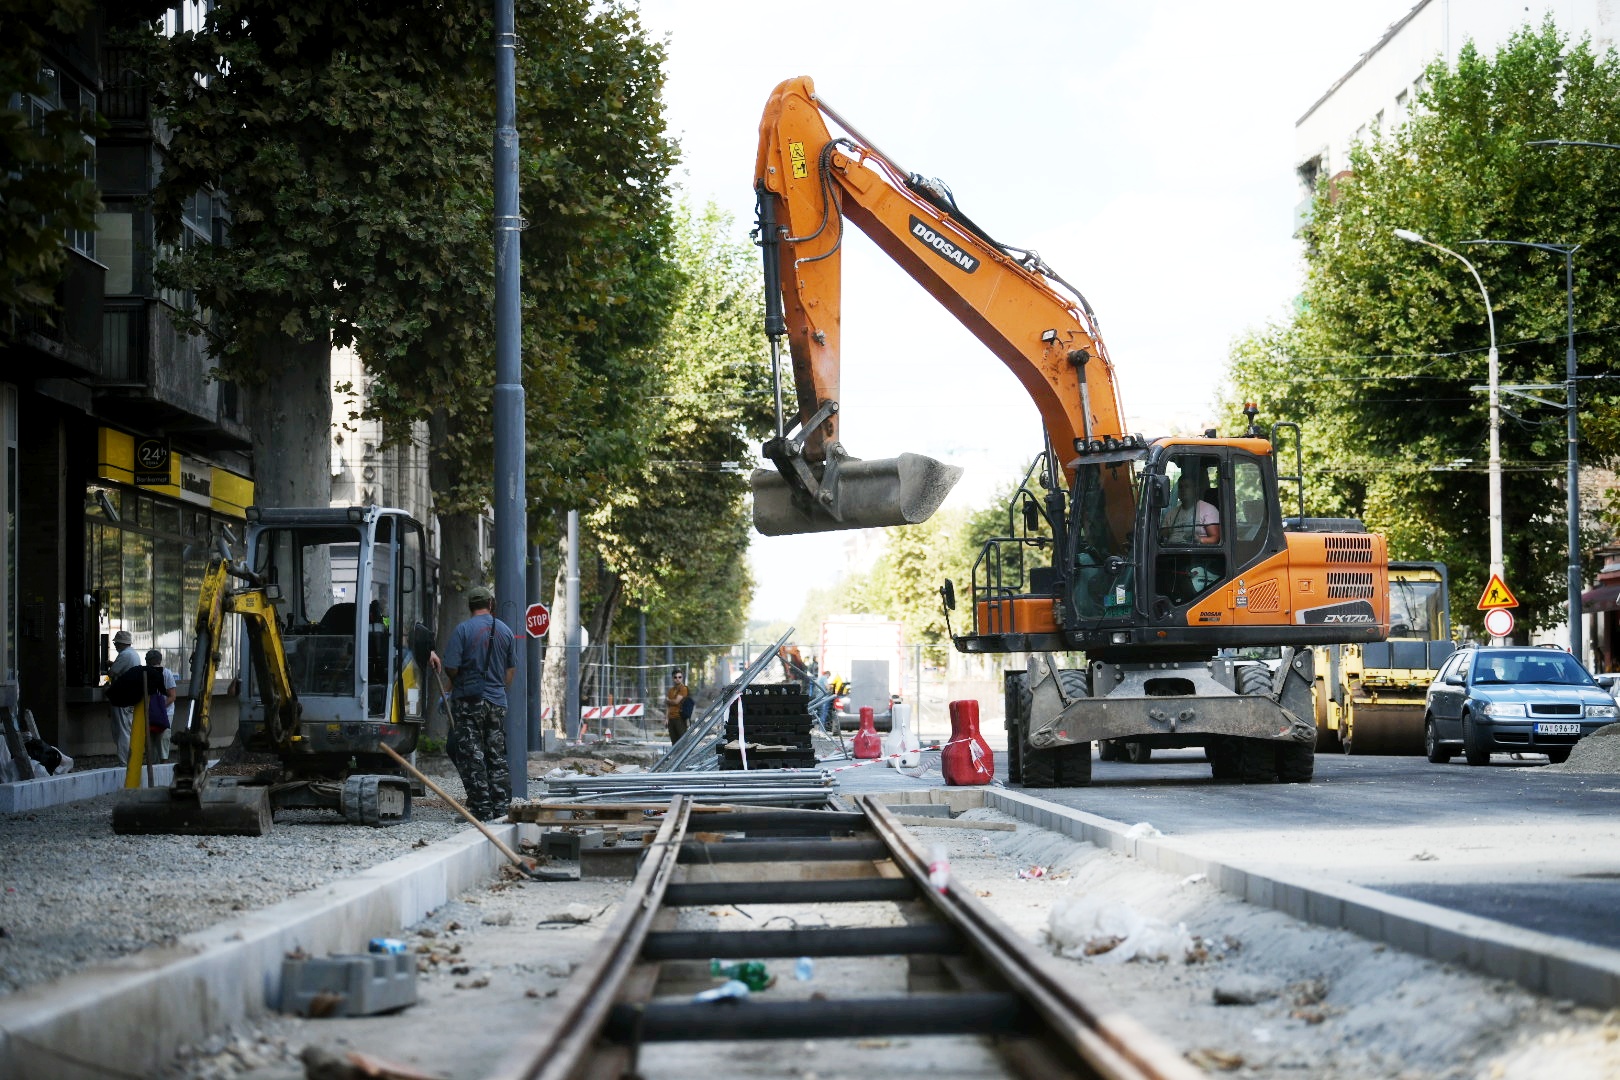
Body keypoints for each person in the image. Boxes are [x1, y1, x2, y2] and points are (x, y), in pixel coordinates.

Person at [441, 585, 518, 821]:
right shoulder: (505, 631)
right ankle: (502, 809)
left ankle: (481, 810)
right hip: (497, 701)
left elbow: (451, 667)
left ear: (469, 606)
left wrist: (459, 683)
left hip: (469, 701)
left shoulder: (463, 630)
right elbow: (510, 670)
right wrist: (497, 689)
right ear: (490, 604)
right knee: (496, 755)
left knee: (472, 756)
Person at [107, 629, 142, 765]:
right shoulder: (133, 654)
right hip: (130, 697)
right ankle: (129, 760)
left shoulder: (125, 655)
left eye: (116, 643)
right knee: (126, 729)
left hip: (122, 698)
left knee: (122, 731)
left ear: (121, 644)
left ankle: (125, 762)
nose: (115, 645)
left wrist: (111, 666)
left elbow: (112, 672)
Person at [1162, 470, 1221, 545]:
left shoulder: (1209, 510)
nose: (1183, 490)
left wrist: (1199, 540)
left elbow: (1215, 539)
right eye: (1180, 487)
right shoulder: (1171, 513)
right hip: (1171, 550)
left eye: (1187, 486)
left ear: (1195, 490)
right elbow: (1163, 536)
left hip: (1196, 550)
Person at [144, 649, 178, 762]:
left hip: (164, 712)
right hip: (151, 712)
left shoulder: (166, 673)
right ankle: (155, 762)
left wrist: (158, 709)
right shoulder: (145, 673)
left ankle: (161, 762)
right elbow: (172, 696)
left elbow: (172, 696)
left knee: (162, 738)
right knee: (152, 740)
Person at [665, 670, 691, 743]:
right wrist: (666, 718)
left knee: (682, 741)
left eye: (680, 677)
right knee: (674, 742)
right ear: (673, 678)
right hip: (671, 719)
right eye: (675, 677)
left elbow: (676, 701)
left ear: (682, 678)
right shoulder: (671, 690)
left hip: (680, 718)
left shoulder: (684, 689)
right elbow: (668, 706)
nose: (677, 679)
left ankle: (684, 751)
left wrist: (668, 700)